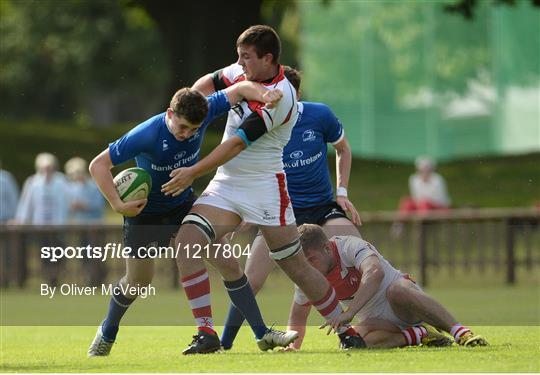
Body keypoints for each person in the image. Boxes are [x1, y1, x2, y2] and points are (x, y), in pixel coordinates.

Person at [164, 25, 356, 355]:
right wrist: (191, 111)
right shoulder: (241, 71)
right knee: (188, 242)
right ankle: (206, 334)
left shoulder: (283, 96)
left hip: (266, 187)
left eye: (246, 58)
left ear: (268, 58)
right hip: (227, 184)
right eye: (238, 56)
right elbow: (203, 87)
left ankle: (345, 328)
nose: (239, 63)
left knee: (296, 266)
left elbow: (238, 143)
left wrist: (193, 171)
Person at [87, 81, 283, 357]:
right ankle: (108, 330)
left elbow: (240, 89)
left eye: (194, 129)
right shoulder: (146, 134)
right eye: (182, 127)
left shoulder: (205, 108)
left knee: (227, 262)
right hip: (144, 214)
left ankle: (262, 333)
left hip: (184, 207)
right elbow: (98, 165)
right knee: (138, 281)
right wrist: (118, 205)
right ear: (170, 113)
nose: (187, 134)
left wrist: (266, 95)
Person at [220, 66, 364, 351]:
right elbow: (245, 168)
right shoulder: (260, 121)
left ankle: (384, 324)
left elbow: (343, 148)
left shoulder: (319, 114)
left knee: (361, 257)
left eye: (285, 91)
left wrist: (342, 193)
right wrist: (245, 210)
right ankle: (223, 343)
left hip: (322, 209)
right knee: (252, 280)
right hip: (278, 212)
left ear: (296, 93)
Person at [286, 224, 488, 350]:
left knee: (396, 290)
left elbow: (375, 273)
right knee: (353, 343)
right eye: (305, 262)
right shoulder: (309, 275)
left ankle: (461, 333)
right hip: (377, 322)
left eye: (312, 259)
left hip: (405, 304)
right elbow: (298, 314)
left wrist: (350, 312)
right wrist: (293, 347)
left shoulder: (348, 245)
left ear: (327, 248)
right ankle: (419, 335)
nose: (309, 267)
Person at [14, 152, 70, 287]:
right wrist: (21, 220)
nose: (47, 170)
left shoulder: (61, 181)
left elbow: (69, 201)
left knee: (59, 253)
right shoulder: (32, 182)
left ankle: (56, 279)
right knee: (44, 253)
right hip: (40, 226)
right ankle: (48, 280)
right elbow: (26, 203)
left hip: (58, 225)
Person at [65, 157, 106, 286]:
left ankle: (98, 279)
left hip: (94, 226)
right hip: (80, 226)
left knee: (97, 254)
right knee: (84, 254)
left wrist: (84, 205)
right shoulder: (71, 188)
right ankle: (88, 278)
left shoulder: (94, 186)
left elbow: (99, 204)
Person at [0, 164, 20, 287]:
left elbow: (14, 199)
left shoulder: (6, 178)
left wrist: (14, 218)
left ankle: (6, 281)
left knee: (7, 253)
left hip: (5, 221)